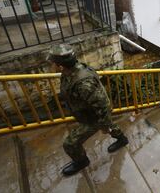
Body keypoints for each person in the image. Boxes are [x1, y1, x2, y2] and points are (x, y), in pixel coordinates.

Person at [47, 44, 129, 176]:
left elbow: (102, 105)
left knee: (70, 144)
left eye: (52, 63)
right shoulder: (70, 71)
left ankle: (81, 161)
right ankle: (122, 139)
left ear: (60, 66)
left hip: (94, 117)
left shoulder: (83, 83)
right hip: (87, 113)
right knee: (110, 127)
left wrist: (103, 124)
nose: (50, 66)